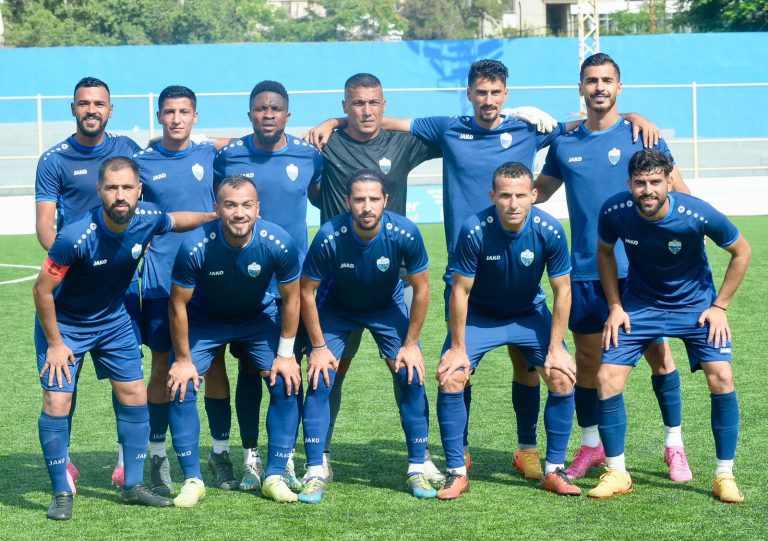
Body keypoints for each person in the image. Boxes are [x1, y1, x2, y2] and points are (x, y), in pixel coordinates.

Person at [307, 59, 659, 476]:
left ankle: (527, 448)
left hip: (518, 270)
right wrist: (331, 121)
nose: (488, 100)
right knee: (456, 367)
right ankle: (459, 451)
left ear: (505, 94)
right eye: (481, 92)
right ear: (469, 94)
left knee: (526, 364)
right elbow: (383, 120)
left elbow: (590, 123)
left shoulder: (528, 129)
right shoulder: (448, 128)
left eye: (495, 92)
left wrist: (633, 116)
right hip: (465, 272)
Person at [534, 53, 693, 481]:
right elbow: (538, 193)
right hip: (586, 271)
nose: (599, 87)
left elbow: (682, 195)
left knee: (659, 353)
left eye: (607, 80)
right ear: (580, 88)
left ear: (619, 87)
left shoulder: (644, 136)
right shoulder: (564, 144)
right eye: (591, 80)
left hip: (641, 273)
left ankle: (674, 445)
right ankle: (591, 446)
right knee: (588, 361)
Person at [32, 156, 215, 520]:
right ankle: (61, 492)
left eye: (127, 187)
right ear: (99, 190)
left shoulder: (148, 218)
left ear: (138, 190)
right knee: (57, 400)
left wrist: (215, 216)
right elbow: (42, 291)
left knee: (133, 394)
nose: (120, 195)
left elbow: (176, 220)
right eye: (112, 187)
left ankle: (132, 485)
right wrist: (55, 344)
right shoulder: (74, 237)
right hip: (66, 324)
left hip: (113, 321)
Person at [305, 72, 443, 484]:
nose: (366, 111)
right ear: (345, 106)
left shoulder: (402, 143)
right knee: (327, 372)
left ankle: (419, 457)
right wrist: (330, 124)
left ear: (384, 105)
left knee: (408, 368)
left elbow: (457, 133)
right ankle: (319, 457)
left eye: (373, 103)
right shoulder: (325, 145)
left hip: (390, 285)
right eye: (357, 103)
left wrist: (520, 121)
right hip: (336, 288)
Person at [590, 149, 751, 502]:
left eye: (655, 182)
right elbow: (604, 253)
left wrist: (719, 306)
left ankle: (724, 475)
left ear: (668, 182)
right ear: (629, 184)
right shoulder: (615, 211)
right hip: (640, 305)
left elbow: (742, 251)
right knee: (606, 378)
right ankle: (617, 472)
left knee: (722, 376)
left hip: (695, 307)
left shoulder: (696, 213)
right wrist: (615, 306)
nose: (648, 190)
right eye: (640, 183)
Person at [435, 162, 579, 499]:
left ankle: (553, 469)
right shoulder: (474, 229)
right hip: (480, 315)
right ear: (492, 196)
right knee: (452, 375)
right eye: (504, 196)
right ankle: (456, 469)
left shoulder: (550, 230)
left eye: (520, 195)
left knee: (561, 376)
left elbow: (563, 291)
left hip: (528, 313)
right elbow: (460, 291)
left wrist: (556, 348)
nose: (513, 203)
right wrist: (457, 347)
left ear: (533, 195)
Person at [209, 80, 322, 492]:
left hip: (292, 284)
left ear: (287, 115)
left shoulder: (309, 155)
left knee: (288, 370)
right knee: (248, 369)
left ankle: (285, 456)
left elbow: (319, 195)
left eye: (275, 108)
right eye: (260, 108)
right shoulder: (230, 155)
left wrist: (333, 121)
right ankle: (251, 455)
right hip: (246, 283)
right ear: (250, 114)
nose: (268, 114)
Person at [167, 175, 303, 506]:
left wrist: (286, 355)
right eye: (230, 205)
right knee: (181, 385)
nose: (239, 213)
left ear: (258, 208)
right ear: (217, 209)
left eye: (246, 205)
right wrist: (183, 361)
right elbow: (178, 304)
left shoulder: (278, 242)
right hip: (206, 321)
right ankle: (193, 479)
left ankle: (274, 475)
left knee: (285, 380)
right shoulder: (195, 245)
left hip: (256, 319)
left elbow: (292, 298)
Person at [298, 170, 434, 503]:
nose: (367, 206)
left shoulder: (405, 232)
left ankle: (418, 465)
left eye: (374, 199)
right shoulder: (330, 234)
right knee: (320, 377)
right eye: (359, 199)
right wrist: (318, 346)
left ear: (386, 200)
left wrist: (411, 344)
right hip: (337, 309)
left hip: (386, 307)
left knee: (411, 374)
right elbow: (305, 291)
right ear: (348, 202)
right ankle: (316, 468)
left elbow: (422, 288)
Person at [34, 77, 142, 487]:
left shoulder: (128, 150)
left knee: (126, 377)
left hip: (120, 287)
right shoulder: (54, 160)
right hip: (72, 288)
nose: (91, 109)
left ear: (110, 110)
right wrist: (69, 263)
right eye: (84, 103)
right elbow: (45, 224)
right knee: (65, 376)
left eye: (99, 103)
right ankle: (63, 458)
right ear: (73, 109)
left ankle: (124, 460)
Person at [131, 85, 220, 496]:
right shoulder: (143, 163)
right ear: (159, 116)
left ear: (195, 116)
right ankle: (156, 453)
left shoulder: (209, 154)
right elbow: (129, 205)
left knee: (213, 364)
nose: (177, 118)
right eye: (169, 111)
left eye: (184, 111)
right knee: (162, 364)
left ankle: (219, 451)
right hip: (161, 280)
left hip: (208, 277)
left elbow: (236, 143)